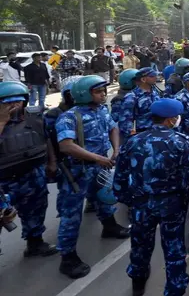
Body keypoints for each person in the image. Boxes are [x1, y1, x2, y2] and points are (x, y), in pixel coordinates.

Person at [114, 99, 189, 296]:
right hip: (172, 206)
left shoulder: (133, 141)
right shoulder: (181, 143)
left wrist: (129, 201)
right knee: (174, 252)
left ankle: (138, 286)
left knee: (140, 247)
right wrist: (186, 206)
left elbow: (120, 179)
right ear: (171, 120)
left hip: (141, 205)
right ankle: (174, 290)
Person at [55, 75, 129, 278]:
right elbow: (66, 145)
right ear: (83, 94)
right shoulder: (69, 117)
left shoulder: (102, 110)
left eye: (103, 90)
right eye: (98, 91)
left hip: (100, 165)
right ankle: (67, 257)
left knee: (104, 200)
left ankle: (109, 226)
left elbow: (113, 127)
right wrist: (97, 158)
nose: (103, 94)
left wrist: (115, 149)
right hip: (78, 171)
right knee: (72, 214)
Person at [0, 81, 57, 258]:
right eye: (7, 102)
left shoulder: (35, 117)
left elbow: (46, 139)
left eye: (17, 101)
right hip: (3, 181)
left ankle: (35, 243)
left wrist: (51, 162)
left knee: (36, 209)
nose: (14, 106)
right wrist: (2, 121)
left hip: (32, 173)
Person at [119, 68, 161, 142]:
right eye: (152, 76)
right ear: (143, 79)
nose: (156, 77)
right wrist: (132, 138)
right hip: (142, 134)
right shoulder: (132, 96)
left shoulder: (154, 92)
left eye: (156, 75)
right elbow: (126, 120)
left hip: (156, 132)